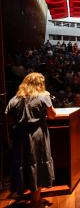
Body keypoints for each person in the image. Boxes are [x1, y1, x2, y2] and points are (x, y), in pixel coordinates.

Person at [5, 72, 56, 207]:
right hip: (37, 135)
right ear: (40, 84)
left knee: (24, 163)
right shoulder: (44, 96)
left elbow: (9, 120)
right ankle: (36, 201)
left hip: (19, 137)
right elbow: (52, 116)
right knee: (36, 163)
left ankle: (25, 192)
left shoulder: (14, 99)